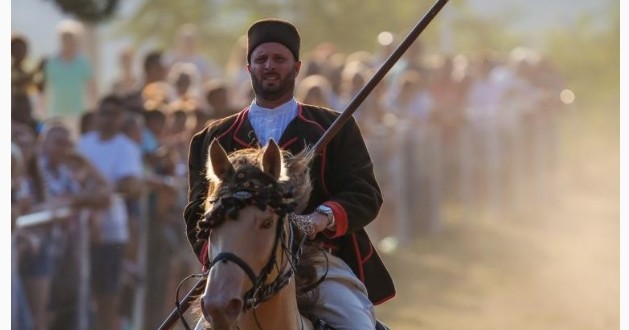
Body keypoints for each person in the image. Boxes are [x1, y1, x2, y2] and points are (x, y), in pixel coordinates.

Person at [184, 18, 395, 330]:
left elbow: (364, 194)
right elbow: (196, 214)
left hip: (319, 262)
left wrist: (319, 219)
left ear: (296, 67)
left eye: (279, 59)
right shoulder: (212, 138)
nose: (270, 66)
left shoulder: (335, 127)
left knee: (358, 326)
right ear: (249, 67)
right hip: (240, 267)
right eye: (261, 59)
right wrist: (224, 259)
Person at [77, 95, 144, 330]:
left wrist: (102, 192)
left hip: (112, 232)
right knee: (81, 297)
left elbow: (132, 185)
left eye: (114, 114)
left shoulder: (126, 147)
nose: (108, 119)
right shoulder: (84, 143)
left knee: (107, 297)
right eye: (104, 113)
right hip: (80, 231)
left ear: (121, 117)